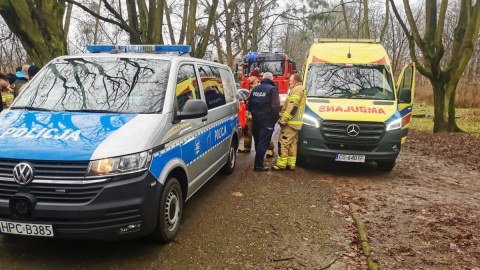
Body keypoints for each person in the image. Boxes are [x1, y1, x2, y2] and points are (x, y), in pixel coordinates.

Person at [271, 74, 306, 171]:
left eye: (290, 80)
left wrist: (283, 120)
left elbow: (293, 107)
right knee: (292, 144)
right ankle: (291, 164)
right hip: (295, 123)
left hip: (290, 123)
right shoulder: (300, 89)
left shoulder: (297, 90)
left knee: (283, 142)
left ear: (295, 81)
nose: (289, 82)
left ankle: (281, 165)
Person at [238, 68, 275, 158]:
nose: (249, 78)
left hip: (258, 114)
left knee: (263, 132)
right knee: (248, 130)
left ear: (255, 77)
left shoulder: (258, 86)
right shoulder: (251, 86)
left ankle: (270, 149)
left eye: (251, 76)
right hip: (251, 112)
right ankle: (247, 146)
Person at [248, 72, 281, 172]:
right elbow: (275, 107)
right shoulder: (272, 89)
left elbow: (249, 105)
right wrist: (274, 119)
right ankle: (258, 165)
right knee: (263, 143)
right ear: (271, 79)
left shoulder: (255, 89)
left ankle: (259, 163)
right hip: (266, 120)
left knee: (258, 142)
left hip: (255, 119)